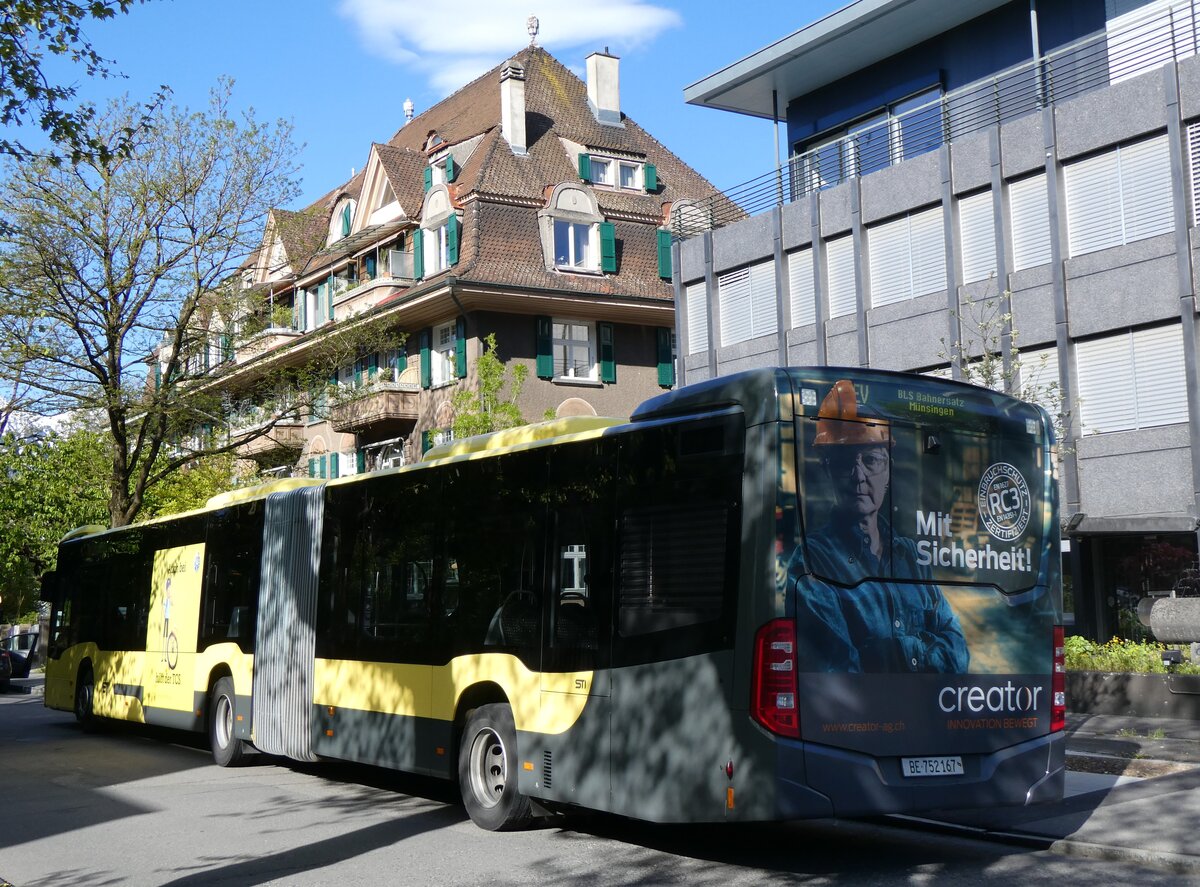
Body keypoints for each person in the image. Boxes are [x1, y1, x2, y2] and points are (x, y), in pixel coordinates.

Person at [790, 380, 969, 674]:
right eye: (844, 462)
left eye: (871, 460)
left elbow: (958, 653)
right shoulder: (813, 560)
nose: (858, 475)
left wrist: (889, 653)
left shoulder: (912, 556)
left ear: (887, 471)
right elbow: (843, 673)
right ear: (828, 471)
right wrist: (921, 651)